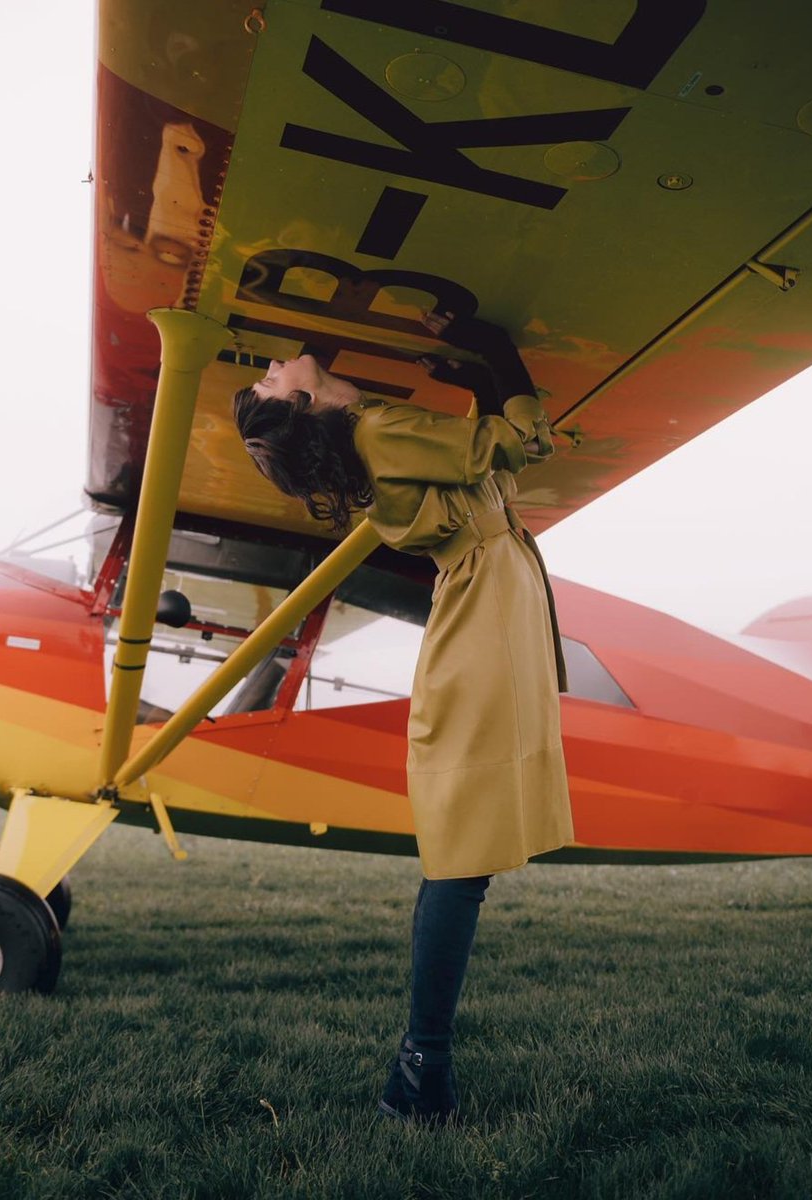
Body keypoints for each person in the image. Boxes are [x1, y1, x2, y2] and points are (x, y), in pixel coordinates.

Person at [232, 311, 574, 1126]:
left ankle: (422, 1068)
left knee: (461, 855)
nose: (275, 364)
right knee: (458, 856)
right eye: (269, 379)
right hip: (490, 610)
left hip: (492, 599)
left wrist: (478, 379)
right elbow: (522, 444)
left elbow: (496, 454)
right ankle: (422, 1068)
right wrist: (491, 352)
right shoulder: (380, 427)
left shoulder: (377, 436)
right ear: (305, 399)